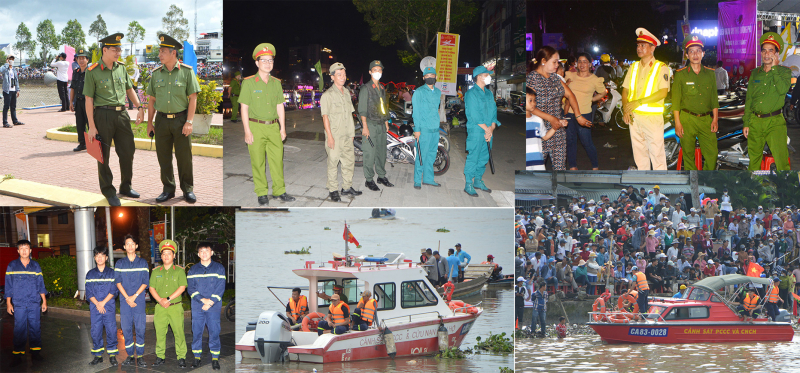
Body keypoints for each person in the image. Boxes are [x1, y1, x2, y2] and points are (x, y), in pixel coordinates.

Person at [84, 33, 146, 206]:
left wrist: (140, 107)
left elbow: (130, 89)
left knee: (128, 152)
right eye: (115, 49)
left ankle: (126, 186)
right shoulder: (92, 71)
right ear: (105, 50)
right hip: (102, 115)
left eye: (119, 49)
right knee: (103, 156)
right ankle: (108, 191)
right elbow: (88, 99)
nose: (119, 52)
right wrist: (91, 126)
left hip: (122, 115)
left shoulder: (121, 68)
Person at [146, 35, 201, 204]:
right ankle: (168, 189)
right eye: (160, 51)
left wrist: (189, 122)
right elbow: (152, 100)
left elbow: (193, 97)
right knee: (163, 158)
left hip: (181, 120)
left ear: (173, 53)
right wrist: (150, 123)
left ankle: (187, 190)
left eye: (163, 51)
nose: (160, 54)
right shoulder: (156, 74)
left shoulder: (186, 72)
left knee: (184, 158)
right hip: (162, 121)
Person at [240, 43, 296, 206]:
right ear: (257, 63)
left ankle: (279, 190)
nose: (267, 63)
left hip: (273, 127)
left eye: (270, 60)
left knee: (277, 161)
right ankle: (262, 192)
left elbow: (280, 106)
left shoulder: (276, 83)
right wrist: (247, 131)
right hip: (255, 127)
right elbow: (244, 108)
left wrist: (283, 128)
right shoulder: (249, 83)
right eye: (263, 60)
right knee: (258, 162)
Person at [527, 46, 591, 170]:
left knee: (560, 168)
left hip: (558, 129)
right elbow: (530, 107)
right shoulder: (532, 79)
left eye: (558, 62)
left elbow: (570, 95)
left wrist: (578, 116)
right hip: (540, 130)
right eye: (555, 62)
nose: (558, 65)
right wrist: (550, 118)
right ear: (544, 61)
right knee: (537, 168)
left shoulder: (555, 78)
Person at [621, 28, 672, 170]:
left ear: (652, 48)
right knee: (640, 157)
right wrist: (626, 109)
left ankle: (659, 188)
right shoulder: (633, 67)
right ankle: (645, 187)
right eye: (638, 45)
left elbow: (663, 93)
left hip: (652, 119)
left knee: (657, 157)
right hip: (634, 118)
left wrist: (638, 102)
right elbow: (625, 90)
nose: (639, 48)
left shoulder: (661, 67)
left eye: (643, 45)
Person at [744, 32, 791, 170]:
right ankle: (754, 189)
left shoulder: (784, 72)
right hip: (755, 122)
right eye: (764, 50)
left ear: (776, 54)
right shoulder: (755, 73)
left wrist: (775, 69)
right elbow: (749, 99)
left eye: (771, 50)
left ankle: (785, 190)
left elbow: (782, 90)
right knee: (754, 162)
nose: (766, 54)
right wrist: (746, 122)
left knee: (782, 161)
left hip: (775, 122)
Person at [672, 35, 719, 170]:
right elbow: (675, 101)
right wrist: (678, 123)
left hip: (706, 120)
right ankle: (693, 183)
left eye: (698, 51)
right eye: (691, 51)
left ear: (703, 53)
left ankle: (706, 180)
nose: (695, 54)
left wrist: (715, 119)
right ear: (687, 55)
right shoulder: (680, 74)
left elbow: (714, 99)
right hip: (687, 119)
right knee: (688, 154)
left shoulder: (710, 74)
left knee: (712, 154)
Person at [321, 62, 362, 201]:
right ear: (332, 77)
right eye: (339, 75)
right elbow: (325, 117)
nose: (342, 77)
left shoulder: (346, 93)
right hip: (335, 135)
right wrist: (330, 137)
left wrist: (351, 134)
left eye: (344, 74)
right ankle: (333, 189)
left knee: (349, 161)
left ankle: (346, 187)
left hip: (346, 135)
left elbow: (350, 115)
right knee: (333, 162)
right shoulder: (327, 95)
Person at [5, 239, 47, 366]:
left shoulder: (36, 266)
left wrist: (44, 301)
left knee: (35, 328)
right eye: (21, 248)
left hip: (34, 302)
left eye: (26, 248)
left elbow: (41, 285)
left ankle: (35, 353)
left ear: (30, 250)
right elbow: (8, 286)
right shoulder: (12, 265)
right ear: (18, 250)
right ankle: (18, 354)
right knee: (19, 329)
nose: (24, 251)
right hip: (19, 303)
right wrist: (8, 303)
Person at [186, 242, 226, 370]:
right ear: (198, 254)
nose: (204, 253)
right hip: (198, 306)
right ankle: (197, 357)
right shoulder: (193, 270)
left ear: (211, 252)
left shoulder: (219, 268)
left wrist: (211, 302)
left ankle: (215, 358)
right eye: (201, 251)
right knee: (197, 331)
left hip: (213, 306)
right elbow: (191, 289)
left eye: (206, 251)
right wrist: (203, 300)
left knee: (214, 331)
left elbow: (220, 288)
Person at [148, 239, 188, 367]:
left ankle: (181, 357)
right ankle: (160, 356)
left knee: (179, 333)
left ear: (174, 255)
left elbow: (182, 287)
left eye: (169, 253)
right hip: (160, 308)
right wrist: (160, 300)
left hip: (175, 307)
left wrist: (168, 299)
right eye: (164, 253)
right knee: (160, 333)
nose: (166, 256)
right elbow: (151, 288)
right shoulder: (155, 271)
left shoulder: (179, 271)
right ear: (161, 255)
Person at [564, 52, 606, 170]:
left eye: (585, 62)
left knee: (586, 141)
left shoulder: (595, 79)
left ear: (590, 64)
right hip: (568, 113)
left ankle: (595, 166)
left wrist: (592, 99)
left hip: (584, 114)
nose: (582, 64)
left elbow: (603, 93)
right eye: (580, 61)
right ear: (576, 64)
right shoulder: (569, 75)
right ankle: (572, 166)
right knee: (570, 140)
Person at [463, 65, 501, 195]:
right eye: (486, 75)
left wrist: (491, 128)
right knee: (473, 157)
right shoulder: (471, 94)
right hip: (476, 131)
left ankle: (478, 180)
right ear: (479, 77)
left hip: (488, 131)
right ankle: (468, 183)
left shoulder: (489, 93)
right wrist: (486, 129)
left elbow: (493, 112)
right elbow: (474, 114)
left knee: (484, 158)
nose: (489, 77)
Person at [358, 60, 394, 192]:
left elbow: (384, 107)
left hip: (381, 125)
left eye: (379, 70)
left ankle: (382, 176)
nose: (377, 72)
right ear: (370, 72)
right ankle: (369, 180)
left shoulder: (382, 88)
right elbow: (362, 109)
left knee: (381, 153)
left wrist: (386, 122)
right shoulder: (366, 88)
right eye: (375, 70)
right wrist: (365, 126)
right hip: (371, 124)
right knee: (369, 153)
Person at [115, 234, 149, 367]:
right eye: (127, 244)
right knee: (127, 328)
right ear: (124, 247)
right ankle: (130, 355)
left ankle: (140, 355)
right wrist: (127, 298)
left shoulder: (143, 263)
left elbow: (145, 282)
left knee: (140, 328)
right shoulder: (120, 263)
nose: (130, 246)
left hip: (138, 300)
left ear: (136, 246)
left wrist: (134, 296)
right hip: (125, 301)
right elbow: (118, 282)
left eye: (132, 243)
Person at [85, 246, 119, 367]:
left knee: (111, 329)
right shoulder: (90, 274)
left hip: (108, 306)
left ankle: (112, 355)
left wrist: (103, 303)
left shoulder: (112, 273)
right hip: (95, 308)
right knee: (96, 331)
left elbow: (114, 290)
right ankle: (98, 355)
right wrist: (97, 304)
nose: (99, 258)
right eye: (97, 255)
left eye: (102, 255)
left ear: (106, 257)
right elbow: (88, 293)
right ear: (95, 258)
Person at [412, 66, 442, 189]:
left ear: (436, 77)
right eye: (427, 76)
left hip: (435, 130)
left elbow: (435, 111)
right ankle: (417, 180)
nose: (430, 78)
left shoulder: (438, 92)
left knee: (431, 155)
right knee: (421, 156)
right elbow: (416, 112)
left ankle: (428, 179)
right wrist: (417, 130)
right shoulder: (419, 92)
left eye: (432, 75)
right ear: (424, 78)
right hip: (423, 130)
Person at [525, 87, 555, 170]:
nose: (533, 103)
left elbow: (545, 136)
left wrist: (555, 128)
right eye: (530, 100)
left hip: (537, 160)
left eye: (534, 100)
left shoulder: (538, 120)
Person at [70, 48, 90, 151]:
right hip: (78, 102)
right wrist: (71, 102)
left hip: (88, 102)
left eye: (83, 58)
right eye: (79, 58)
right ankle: (82, 143)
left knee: (90, 123)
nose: (81, 60)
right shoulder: (76, 72)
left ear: (87, 60)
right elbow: (73, 87)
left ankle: (92, 144)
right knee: (80, 124)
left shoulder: (90, 72)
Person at [1, 55, 24, 127]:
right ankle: (5, 122)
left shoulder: (14, 69)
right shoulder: (5, 68)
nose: (11, 60)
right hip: (7, 90)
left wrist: (18, 90)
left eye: (12, 59)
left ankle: (15, 121)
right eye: (10, 59)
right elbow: (0, 70)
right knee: (6, 106)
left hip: (13, 90)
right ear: (7, 60)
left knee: (13, 106)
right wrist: (6, 64)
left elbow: (16, 80)